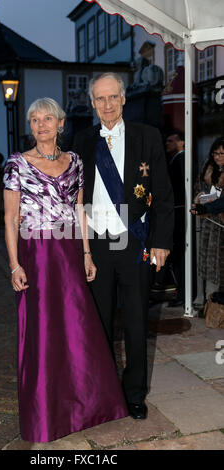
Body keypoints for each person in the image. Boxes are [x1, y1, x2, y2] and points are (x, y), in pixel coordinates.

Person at [3, 97, 128, 443]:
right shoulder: (17, 164)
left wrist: (87, 254)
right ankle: (47, 416)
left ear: (60, 124)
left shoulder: (74, 162)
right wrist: (14, 265)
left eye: (47, 119)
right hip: (37, 255)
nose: (40, 125)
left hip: (69, 252)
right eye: (34, 120)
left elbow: (79, 211)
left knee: (78, 329)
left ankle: (88, 408)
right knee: (43, 334)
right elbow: (11, 218)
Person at [72, 72, 174, 420]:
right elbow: (70, 196)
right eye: (100, 99)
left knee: (134, 322)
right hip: (97, 245)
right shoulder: (82, 141)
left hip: (134, 242)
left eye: (112, 97)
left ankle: (134, 394)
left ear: (124, 99)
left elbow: (162, 194)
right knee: (98, 323)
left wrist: (161, 242)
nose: (107, 105)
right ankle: (102, 392)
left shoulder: (147, 136)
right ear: (93, 103)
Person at [193, 137, 224, 297]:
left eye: (221, 153)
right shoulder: (208, 167)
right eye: (215, 153)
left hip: (220, 223)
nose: (218, 157)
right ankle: (208, 300)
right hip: (209, 223)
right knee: (208, 264)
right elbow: (198, 188)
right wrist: (201, 197)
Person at [165, 131, 185, 307]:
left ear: (181, 143)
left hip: (179, 213)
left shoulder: (181, 160)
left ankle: (182, 294)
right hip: (176, 211)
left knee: (179, 254)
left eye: (171, 141)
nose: (167, 144)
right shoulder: (175, 160)